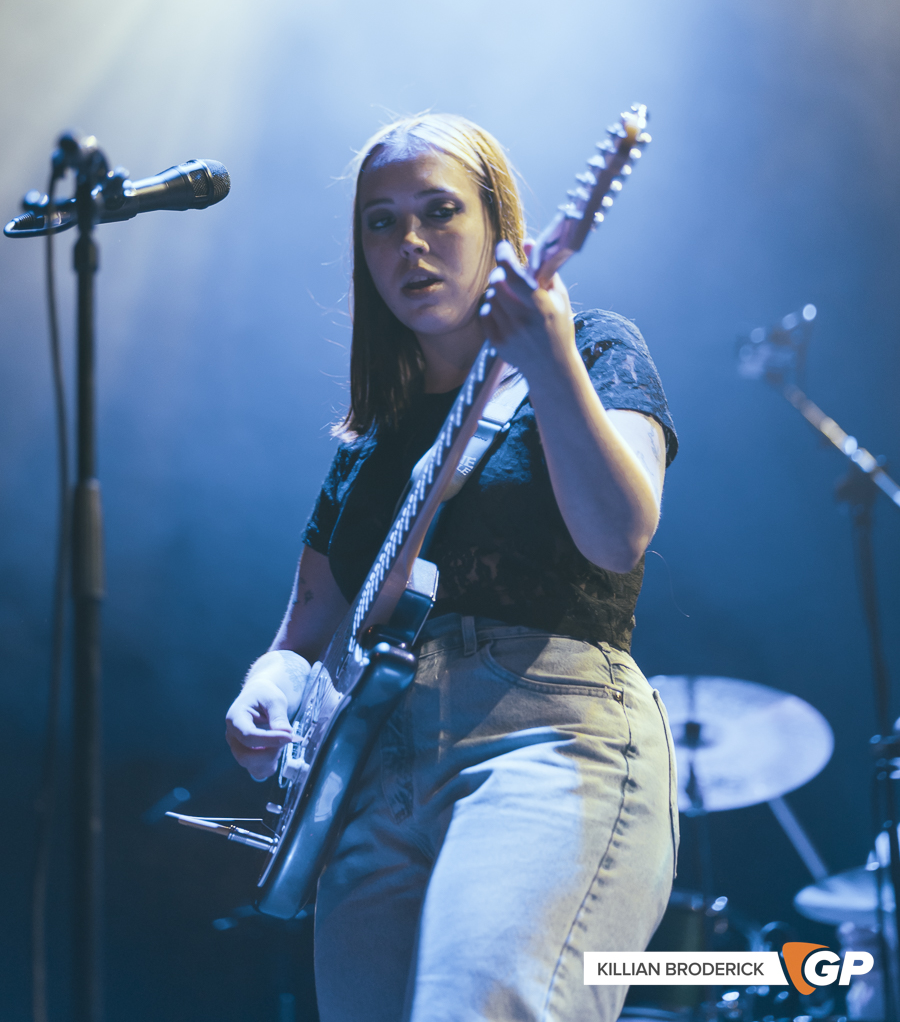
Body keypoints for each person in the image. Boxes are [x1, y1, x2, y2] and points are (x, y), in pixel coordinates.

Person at [226, 113, 679, 1022]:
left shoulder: (591, 346)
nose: (411, 243)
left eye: (440, 211)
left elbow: (621, 534)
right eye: (381, 222)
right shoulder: (366, 449)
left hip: (545, 737)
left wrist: (547, 361)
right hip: (373, 782)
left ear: (504, 232)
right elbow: (301, 637)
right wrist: (265, 686)